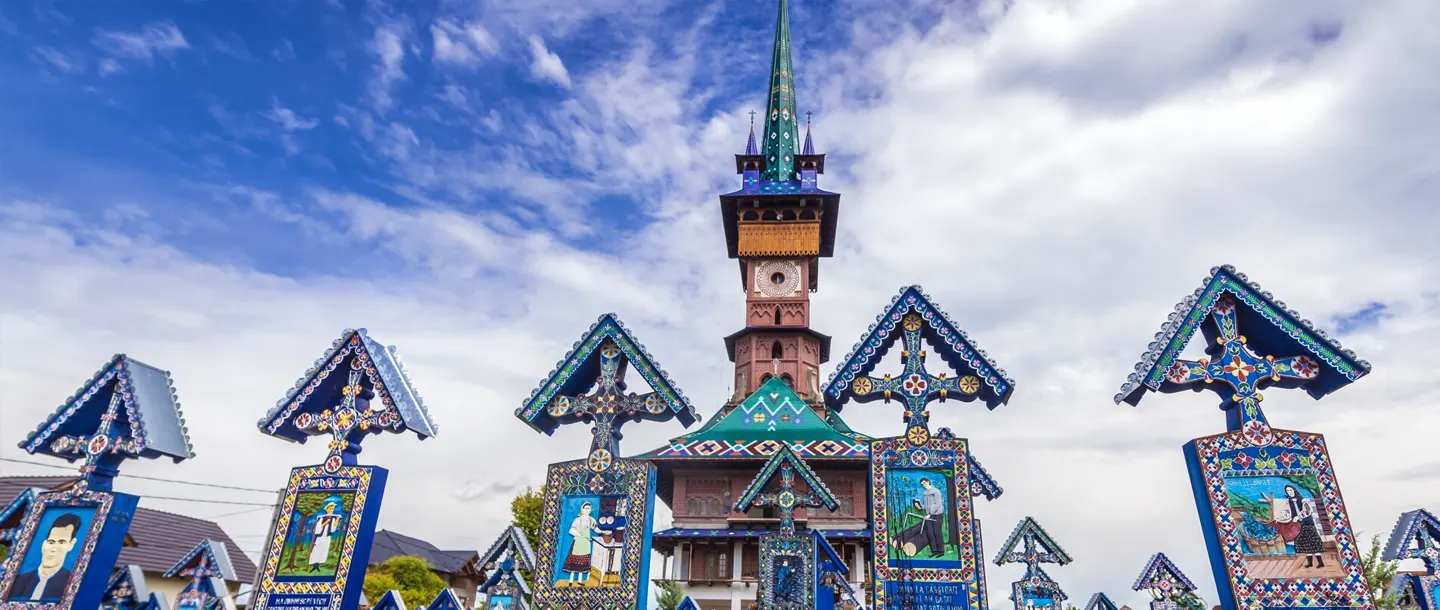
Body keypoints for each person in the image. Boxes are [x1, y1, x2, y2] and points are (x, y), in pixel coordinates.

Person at [7, 513, 83, 601]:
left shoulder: (72, 585)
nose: (53, 549)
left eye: (61, 542)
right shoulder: (17, 581)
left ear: (71, 544)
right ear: (44, 544)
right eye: (51, 542)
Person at [893, 477, 946, 558]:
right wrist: (921, 507)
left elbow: (937, 504)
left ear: (928, 482)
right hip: (928, 515)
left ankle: (941, 551)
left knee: (937, 533)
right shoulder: (925, 494)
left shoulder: (936, 492)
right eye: (922, 484)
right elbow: (927, 505)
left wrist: (930, 514)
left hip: (936, 516)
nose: (924, 485)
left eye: (924, 483)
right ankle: (934, 550)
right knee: (930, 534)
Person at [561, 502, 608, 583]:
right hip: (578, 542)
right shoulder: (577, 520)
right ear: (582, 509)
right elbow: (571, 530)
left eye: (588, 508)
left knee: (582, 562)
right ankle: (571, 581)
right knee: (574, 561)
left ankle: (579, 581)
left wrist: (603, 532)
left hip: (585, 543)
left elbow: (596, 529)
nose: (587, 510)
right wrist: (580, 535)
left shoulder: (591, 520)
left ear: (591, 510)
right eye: (585, 508)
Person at [1283, 485, 1325, 567]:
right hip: (1299, 524)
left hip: (1308, 523)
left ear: (1294, 490)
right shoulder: (1289, 501)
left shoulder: (1303, 500)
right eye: (1287, 491)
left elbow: (1308, 511)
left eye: (1290, 490)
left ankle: (1320, 562)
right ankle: (1310, 563)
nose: (1289, 492)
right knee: (1306, 543)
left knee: (1313, 542)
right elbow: (1288, 512)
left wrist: (1299, 517)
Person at [308, 496, 344, 573]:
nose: (331, 510)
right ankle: (314, 565)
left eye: (332, 508)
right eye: (330, 508)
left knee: (324, 551)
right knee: (316, 550)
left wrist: (337, 520)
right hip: (320, 537)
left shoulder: (333, 518)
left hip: (327, 537)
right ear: (327, 509)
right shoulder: (321, 518)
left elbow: (332, 529)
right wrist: (325, 522)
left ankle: (318, 566)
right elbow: (317, 529)